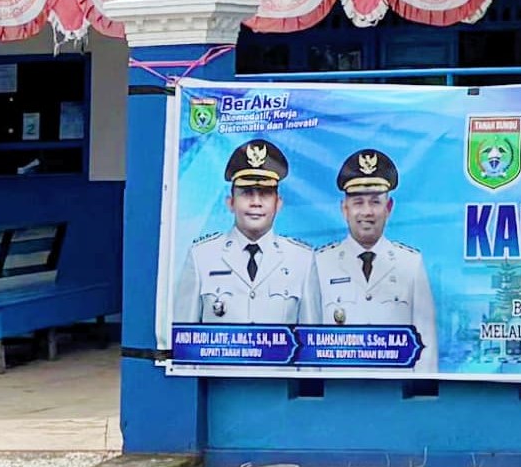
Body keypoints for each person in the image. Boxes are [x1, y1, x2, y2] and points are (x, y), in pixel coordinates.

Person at [314, 146, 438, 374]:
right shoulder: (320, 264)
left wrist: (421, 403)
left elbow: (426, 345)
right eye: (358, 202)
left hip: (395, 399)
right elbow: (309, 345)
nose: (367, 212)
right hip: (338, 397)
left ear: (388, 208)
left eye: (375, 202)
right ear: (345, 208)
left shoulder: (410, 263)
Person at [178, 137, 316, 332]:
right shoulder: (201, 257)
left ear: (278, 203)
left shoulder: (302, 260)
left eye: (265, 193)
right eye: (247, 193)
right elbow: (185, 342)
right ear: (230, 202)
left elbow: (310, 347)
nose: (256, 202)